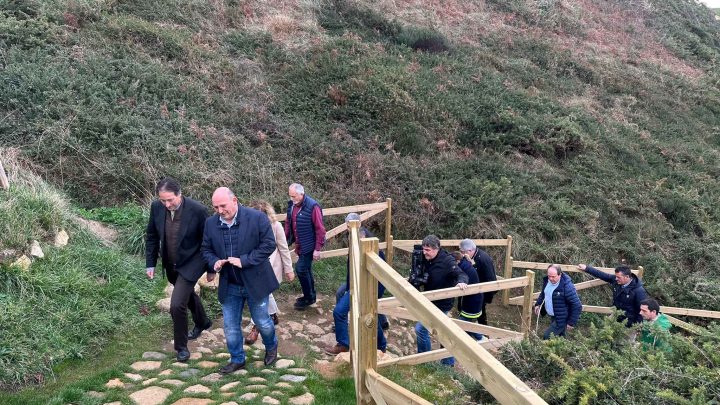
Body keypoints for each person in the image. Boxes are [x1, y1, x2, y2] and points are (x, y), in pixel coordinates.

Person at [201, 187, 279, 373]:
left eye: (223, 205)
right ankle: (237, 359)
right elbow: (206, 249)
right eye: (215, 207)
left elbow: (269, 244)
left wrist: (244, 260)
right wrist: (214, 262)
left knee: (262, 322)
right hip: (230, 284)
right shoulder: (211, 223)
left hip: (256, 281)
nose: (220, 211)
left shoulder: (257, 217)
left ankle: (271, 346)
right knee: (230, 326)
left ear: (234, 200)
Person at [145, 178, 212, 362]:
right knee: (187, 294)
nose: (166, 204)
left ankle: (181, 347)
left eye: (170, 200)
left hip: (192, 263)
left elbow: (208, 240)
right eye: (163, 200)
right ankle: (203, 322)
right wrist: (150, 263)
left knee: (176, 304)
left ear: (179, 194)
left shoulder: (198, 210)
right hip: (171, 263)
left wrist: (210, 267)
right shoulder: (157, 208)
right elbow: (151, 236)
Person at [325, 213, 388, 355]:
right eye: (347, 225)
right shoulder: (353, 237)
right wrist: (349, 288)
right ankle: (345, 341)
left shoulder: (369, 244)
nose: (348, 227)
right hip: (354, 284)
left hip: (367, 288)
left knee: (365, 315)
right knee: (341, 303)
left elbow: (382, 274)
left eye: (350, 224)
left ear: (358, 225)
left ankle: (377, 346)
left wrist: (375, 294)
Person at [244, 200, 295, 345]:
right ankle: (272, 315)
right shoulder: (247, 227)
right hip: (255, 267)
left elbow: (284, 249)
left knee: (261, 294)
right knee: (265, 294)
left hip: (272, 267)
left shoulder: (276, 226)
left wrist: (289, 269)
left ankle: (256, 328)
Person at [414, 235, 469, 366]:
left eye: (427, 250)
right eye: (423, 249)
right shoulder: (426, 258)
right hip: (429, 301)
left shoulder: (447, 261)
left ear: (436, 249)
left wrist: (461, 283)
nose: (424, 252)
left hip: (442, 303)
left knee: (422, 329)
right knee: (443, 332)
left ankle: (426, 360)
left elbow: (462, 274)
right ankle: (446, 362)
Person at [285, 183, 326, 310]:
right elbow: (288, 223)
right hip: (299, 245)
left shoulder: (313, 206)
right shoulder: (292, 206)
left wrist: (317, 249)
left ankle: (308, 298)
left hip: (309, 246)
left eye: (294, 196)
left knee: (301, 269)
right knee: (306, 270)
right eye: (290, 196)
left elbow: (320, 230)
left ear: (301, 193)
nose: (292, 199)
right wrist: (284, 240)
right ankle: (310, 296)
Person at [577, 263, 647, 326]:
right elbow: (602, 275)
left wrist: (638, 326)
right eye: (616, 276)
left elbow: (642, 309)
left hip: (629, 322)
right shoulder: (617, 280)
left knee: (624, 340)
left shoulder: (638, 291)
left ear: (627, 277)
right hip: (616, 315)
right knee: (606, 333)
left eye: (619, 277)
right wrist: (587, 268)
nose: (616, 279)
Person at [533, 265, 582, 339]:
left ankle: (546, 349)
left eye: (553, 276)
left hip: (562, 317)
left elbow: (577, 305)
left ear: (560, 274)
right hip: (554, 314)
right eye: (549, 276)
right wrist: (538, 304)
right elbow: (543, 293)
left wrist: (571, 322)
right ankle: (564, 349)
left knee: (547, 336)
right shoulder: (547, 281)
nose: (551, 278)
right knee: (560, 337)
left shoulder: (567, 286)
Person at [459, 239, 496, 325]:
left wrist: (487, 297)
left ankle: (483, 331)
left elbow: (491, 279)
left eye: (462, 251)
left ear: (470, 250)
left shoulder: (483, 259)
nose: (461, 254)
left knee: (481, 312)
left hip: (483, 290)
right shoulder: (471, 256)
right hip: (474, 289)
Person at [452, 251, 484, 341]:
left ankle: (480, 338)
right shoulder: (466, 264)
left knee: (463, 323)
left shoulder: (463, 268)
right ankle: (479, 338)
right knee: (469, 322)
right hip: (475, 299)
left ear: (457, 261)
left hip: (472, 301)